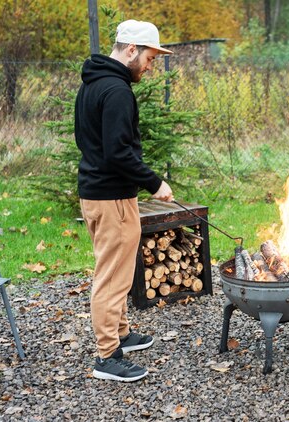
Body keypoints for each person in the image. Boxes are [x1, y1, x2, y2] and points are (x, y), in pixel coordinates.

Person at [74, 19, 174, 382]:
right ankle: (107, 355)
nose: (150, 65)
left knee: (118, 267)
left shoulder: (92, 84)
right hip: (110, 196)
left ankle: (122, 334)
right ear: (131, 50)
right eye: (149, 57)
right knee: (111, 276)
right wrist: (154, 183)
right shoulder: (116, 91)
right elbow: (117, 152)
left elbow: (87, 142)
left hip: (103, 193)